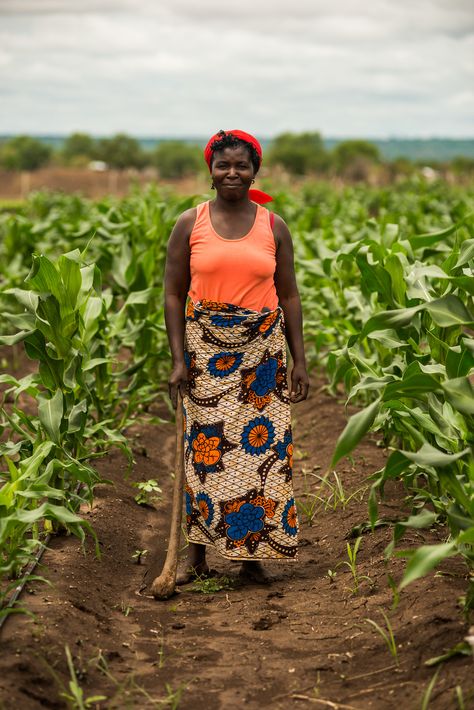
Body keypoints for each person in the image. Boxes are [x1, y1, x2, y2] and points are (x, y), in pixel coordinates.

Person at [164, 129, 309, 584]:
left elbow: (289, 295)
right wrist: (178, 358)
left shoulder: (273, 225)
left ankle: (251, 560)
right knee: (203, 455)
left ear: (254, 172)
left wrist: (299, 359)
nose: (232, 173)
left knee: (258, 454)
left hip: (262, 356)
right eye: (223, 165)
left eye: (240, 165)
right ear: (210, 171)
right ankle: (198, 560)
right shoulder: (190, 223)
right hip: (205, 351)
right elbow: (171, 293)